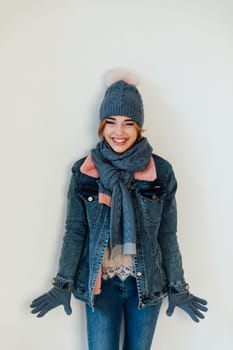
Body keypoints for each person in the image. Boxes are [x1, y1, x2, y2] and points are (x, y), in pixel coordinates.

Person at [30, 70, 208, 350]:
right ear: (102, 125)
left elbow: (167, 234)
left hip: (146, 285)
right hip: (100, 287)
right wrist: (62, 283)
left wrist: (178, 286)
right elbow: (76, 231)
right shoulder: (85, 171)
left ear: (139, 127)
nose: (119, 132)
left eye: (128, 123)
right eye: (111, 122)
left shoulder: (160, 172)